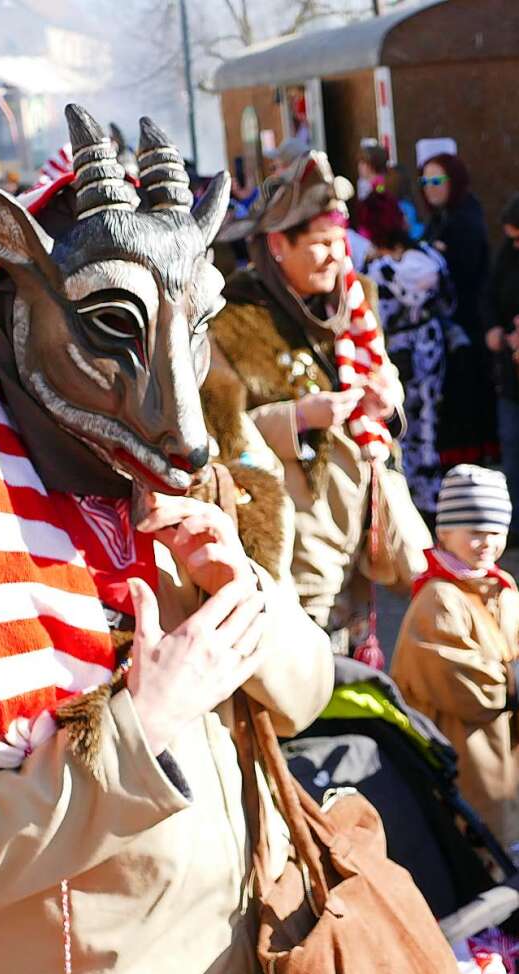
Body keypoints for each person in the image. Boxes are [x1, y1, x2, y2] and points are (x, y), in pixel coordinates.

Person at [0, 106, 333, 974]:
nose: (182, 431)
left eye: (191, 327)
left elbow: (304, 698)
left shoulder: (176, 494)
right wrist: (144, 725)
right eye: (110, 324)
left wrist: (243, 595)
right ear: (18, 317)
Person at [208, 151, 417, 652]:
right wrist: (299, 418)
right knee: (313, 669)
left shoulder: (354, 299)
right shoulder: (232, 320)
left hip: (367, 526)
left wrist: (389, 400)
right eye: (321, 245)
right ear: (278, 244)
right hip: (298, 542)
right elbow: (221, 434)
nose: (337, 258)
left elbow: (382, 374)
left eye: (340, 242)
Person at [392, 465, 519, 850]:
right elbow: (461, 687)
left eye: (495, 532)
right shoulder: (440, 598)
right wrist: (512, 680)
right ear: (445, 533)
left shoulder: (503, 590)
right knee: (474, 840)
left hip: (504, 751)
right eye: (474, 531)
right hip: (463, 752)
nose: (486, 543)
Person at [365, 227, 455, 517]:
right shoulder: (421, 258)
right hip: (400, 352)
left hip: (423, 351)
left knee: (426, 421)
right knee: (405, 422)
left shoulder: (410, 263)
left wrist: (381, 264)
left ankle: (428, 501)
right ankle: (415, 498)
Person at [421, 150, 498, 467]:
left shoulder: (466, 219)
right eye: (425, 181)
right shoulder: (440, 220)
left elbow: (464, 274)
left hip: (467, 330)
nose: (430, 187)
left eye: (437, 180)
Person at [485, 193, 519, 538]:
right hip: (511, 371)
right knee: (511, 442)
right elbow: (490, 296)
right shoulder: (506, 257)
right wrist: (496, 330)